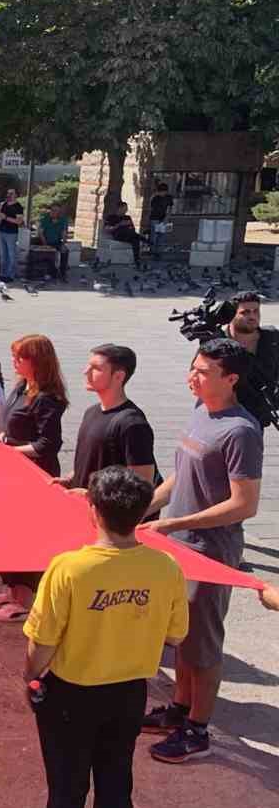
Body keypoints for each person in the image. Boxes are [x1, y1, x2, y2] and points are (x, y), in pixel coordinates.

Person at [23, 468, 189, 808]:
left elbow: (43, 642)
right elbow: (177, 633)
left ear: (93, 509)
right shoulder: (165, 567)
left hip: (70, 695)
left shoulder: (70, 567)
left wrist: (31, 677)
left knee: (67, 790)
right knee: (116, 787)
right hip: (127, 693)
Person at [141, 338, 263, 762]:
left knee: (204, 644)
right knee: (181, 637)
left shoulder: (241, 431)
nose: (192, 377)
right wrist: (146, 506)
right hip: (176, 545)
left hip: (210, 552)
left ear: (230, 379)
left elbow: (244, 503)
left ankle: (198, 730)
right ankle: (178, 709)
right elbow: (181, 475)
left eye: (203, 372)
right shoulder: (200, 413)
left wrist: (176, 522)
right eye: (193, 368)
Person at [55, 345, 156, 491]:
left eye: (96, 368)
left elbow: (141, 485)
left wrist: (93, 496)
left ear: (119, 376)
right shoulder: (91, 412)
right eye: (88, 366)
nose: (86, 372)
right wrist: (71, 478)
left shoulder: (132, 424)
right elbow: (91, 462)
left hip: (106, 511)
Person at [1, 334, 69, 476]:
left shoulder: (46, 399)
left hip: (35, 470)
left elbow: (47, 445)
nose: (13, 361)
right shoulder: (21, 387)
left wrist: (9, 450)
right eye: (13, 356)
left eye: (19, 358)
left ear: (37, 362)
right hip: (13, 464)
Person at [223, 291, 279, 425]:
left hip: (258, 417)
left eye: (256, 311)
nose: (252, 316)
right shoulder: (219, 342)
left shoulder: (272, 338)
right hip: (224, 415)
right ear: (232, 315)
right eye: (245, 312)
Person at [38, 196, 71, 280]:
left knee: (65, 251)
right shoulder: (45, 218)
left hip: (57, 241)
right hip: (45, 241)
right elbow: (40, 233)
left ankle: (63, 273)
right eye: (52, 210)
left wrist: (63, 244)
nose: (53, 212)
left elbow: (64, 233)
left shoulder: (63, 220)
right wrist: (45, 244)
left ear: (59, 212)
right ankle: (52, 272)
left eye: (56, 211)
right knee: (49, 253)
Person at [102, 203, 144, 267]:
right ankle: (145, 240)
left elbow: (133, 228)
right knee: (136, 237)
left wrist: (129, 227)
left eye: (126, 209)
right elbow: (107, 229)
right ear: (119, 209)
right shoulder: (111, 217)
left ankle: (137, 260)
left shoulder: (127, 217)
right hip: (118, 235)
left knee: (135, 239)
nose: (126, 211)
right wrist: (119, 225)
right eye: (124, 209)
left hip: (129, 234)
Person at [0, 188, 24, 282]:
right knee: (2, 255)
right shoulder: (3, 204)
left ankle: (10, 275)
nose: (9, 195)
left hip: (11, 233)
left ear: (16, 195)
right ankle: (2, 274)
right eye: (8, 193)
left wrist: (6, 218)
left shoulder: (18, 206)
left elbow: (19, 221)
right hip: (1, 232)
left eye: (11, 193)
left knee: (11, 255)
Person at [147, 181, 173, 256]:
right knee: (154, 235)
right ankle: (152, 251)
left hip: (164, 218)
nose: (163, 194)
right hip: (155, 218)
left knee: (162, 235)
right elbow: (151, 208)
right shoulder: (155, 197)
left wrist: (167, 218)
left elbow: (170, 208)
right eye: (161, 192)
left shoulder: (168, 197)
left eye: (164, 192)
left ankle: (159, 251)